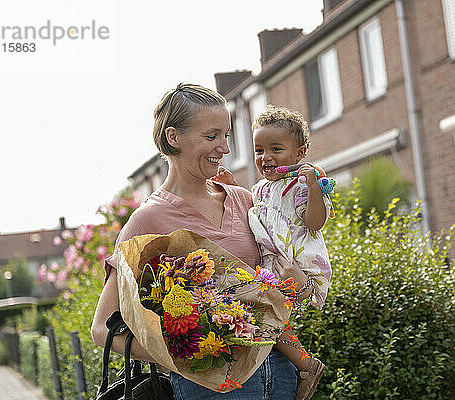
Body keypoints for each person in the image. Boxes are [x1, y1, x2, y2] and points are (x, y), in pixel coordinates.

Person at [91, 83, 313, 400]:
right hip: (211, 390)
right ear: (173, 137)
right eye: (211, 137)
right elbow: (102, 327)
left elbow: (285, 293)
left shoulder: (244, 201)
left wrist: (299, 284)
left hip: (280, 375)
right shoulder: (147, 221)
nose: (224, 148)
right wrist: (184, 359)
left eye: (226, 135)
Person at [248, 105, 331, 400]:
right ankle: (304, 364)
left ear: (300, 153)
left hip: (299, 264)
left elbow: (315, 221)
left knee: (264, 314)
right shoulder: (259, 189)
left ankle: (306, 364)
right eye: (259, 150)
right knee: (267, 315)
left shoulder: (300, 186)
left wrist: (312, 186)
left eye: (276, 149)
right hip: (275, 265)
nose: (266, 157)